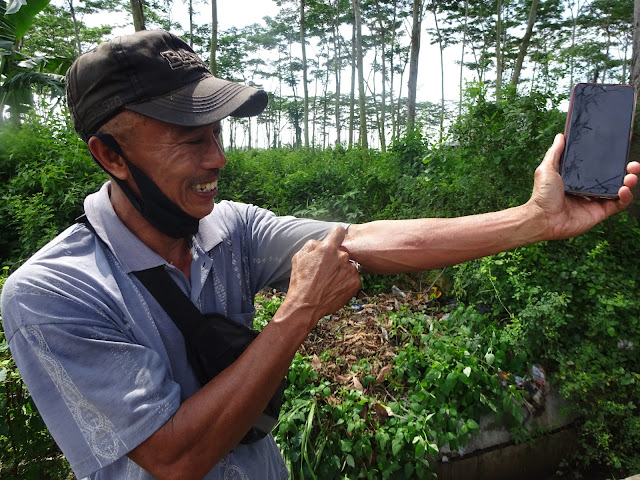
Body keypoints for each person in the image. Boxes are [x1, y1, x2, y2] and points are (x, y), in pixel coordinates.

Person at [1, 29, 638, 480]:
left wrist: (533, 220)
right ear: (110, 154)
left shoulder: (232, 228)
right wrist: (298, 313)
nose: (217, 159)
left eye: (218, 134)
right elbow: (173, 459)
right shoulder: (52, 293)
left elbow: (371, 239)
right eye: (189, 141)